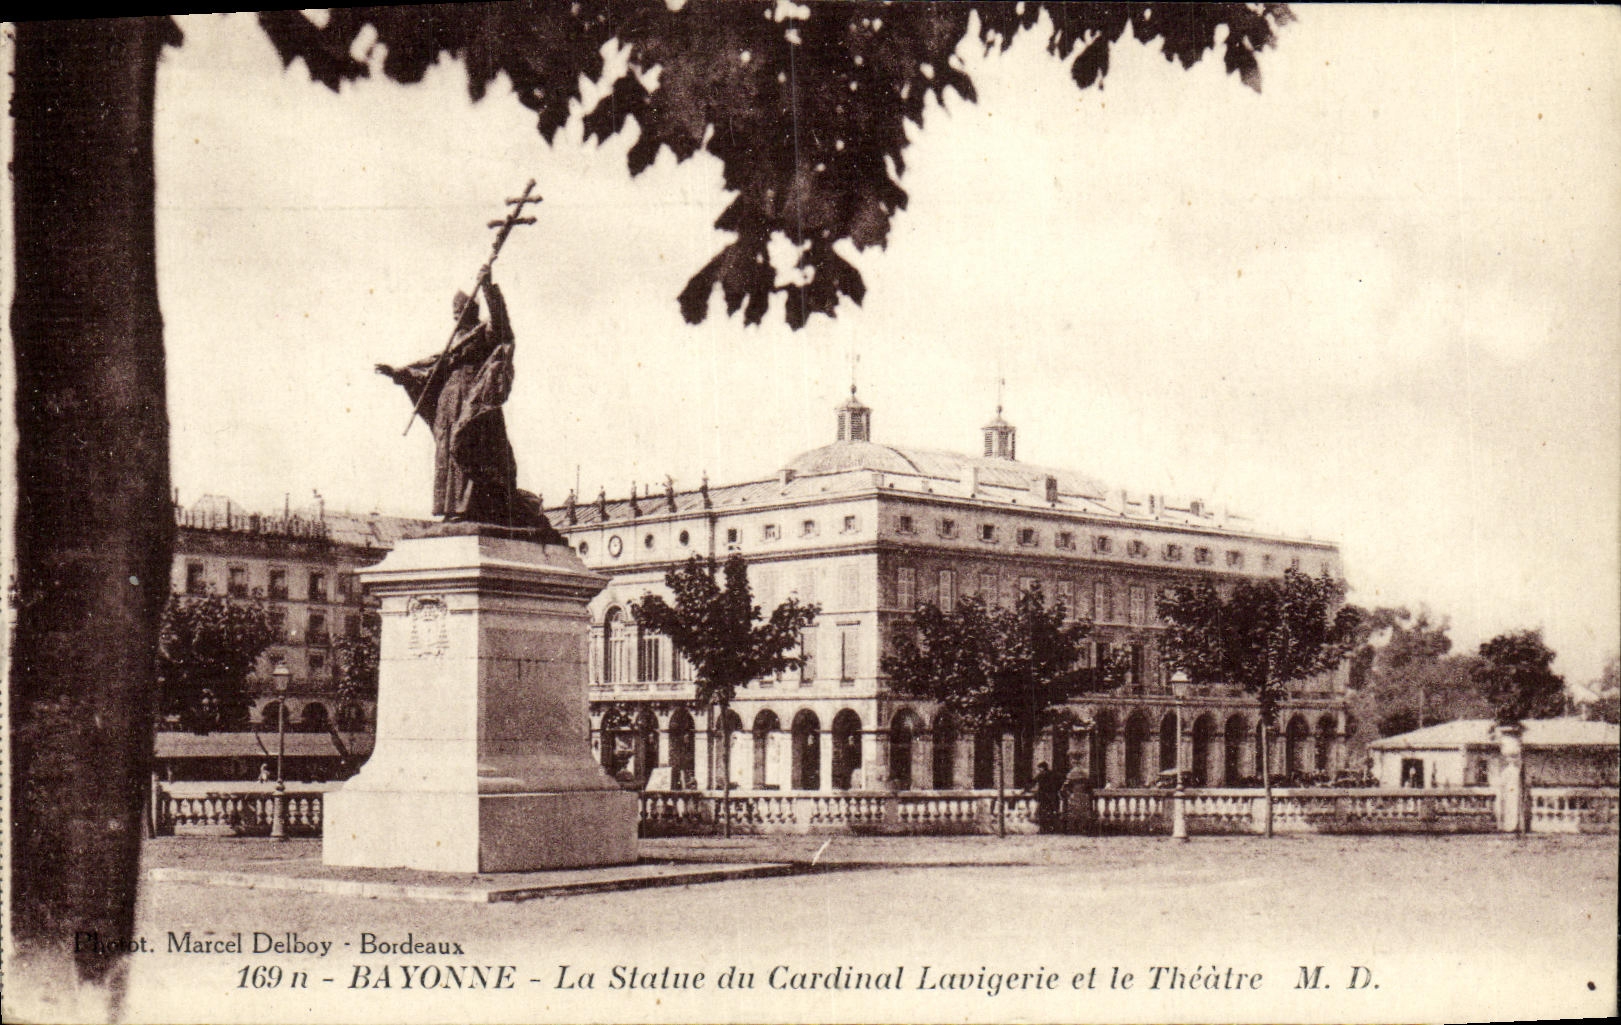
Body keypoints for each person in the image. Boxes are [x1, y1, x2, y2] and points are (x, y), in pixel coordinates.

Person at [376, 266, 563, 539]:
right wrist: (400, 373)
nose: (455, 314)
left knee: (468, 447)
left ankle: (474, 507)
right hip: (448, 405)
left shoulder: (483, 335)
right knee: (448, 454)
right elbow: (428, 372)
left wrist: (488, 287)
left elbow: (502, 326)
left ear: (471, 312)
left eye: (460, 310)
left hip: (474, 402)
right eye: (453, 312)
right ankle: (455, 509)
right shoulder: (454, 343)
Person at [1028, 761, 1064, 834]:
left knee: (1042, 813)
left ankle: (1043, 829)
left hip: (1044, 797)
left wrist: (1026, 789)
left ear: (1042, 768)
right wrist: (1056, 790)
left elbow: (1032, 783)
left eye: (1039, 768)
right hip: (1053, 796)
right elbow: (1061, 782)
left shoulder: (1041, 775)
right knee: (1053, 812)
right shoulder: (1055, 774)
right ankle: (1054, 829)